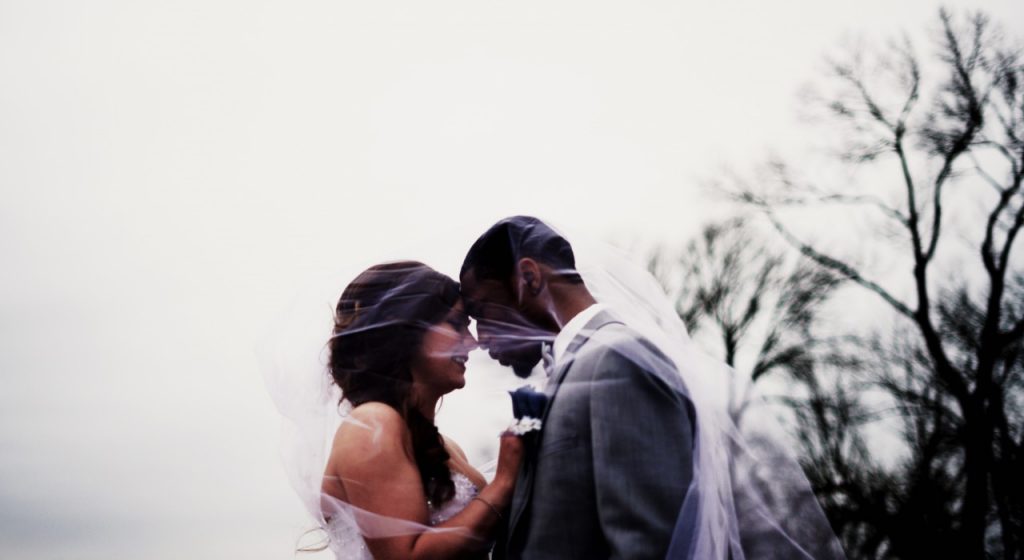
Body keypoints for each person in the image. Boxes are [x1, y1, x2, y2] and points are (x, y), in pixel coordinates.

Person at [460, 217, 697, 559]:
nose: (481, 339)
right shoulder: (572, 369)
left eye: (482, 311)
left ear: (529, 277)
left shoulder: (618, 360)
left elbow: (648, 543)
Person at [319, 261, 525, 559]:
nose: (472, 342)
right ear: (407, 330)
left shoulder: (445, 447)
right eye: (456, 325)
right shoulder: (371, 424)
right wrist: (504, 483)